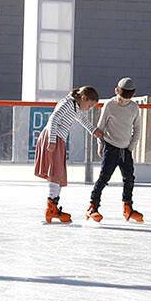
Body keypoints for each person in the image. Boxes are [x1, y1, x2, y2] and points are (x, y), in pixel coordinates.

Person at [34, 86, 100, 224]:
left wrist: (94, 131)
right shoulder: (68, 103)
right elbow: (53, 119)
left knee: (57, 174)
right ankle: (51, 208)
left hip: (59, 139)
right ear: (83, 98)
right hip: (54, 138)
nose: (89, 109)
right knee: (55, 173)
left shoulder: (75, 106)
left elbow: (82, 119)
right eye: (89, 105)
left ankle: (53, 207)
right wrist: (52, 141)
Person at [86, 78, 143, 224]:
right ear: (116, 91)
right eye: (122, 97)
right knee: (104, 178)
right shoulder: (109, 105)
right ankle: (93, 206)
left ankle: (128, 208)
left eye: (127, 98)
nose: (123, 101)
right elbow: (101, 126)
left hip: (125, 150)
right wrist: (100, 144)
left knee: (129, 179)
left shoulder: (134, 108)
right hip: (111, 147)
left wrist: (130, 147)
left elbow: (137, 129)